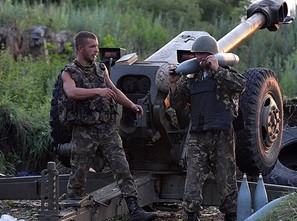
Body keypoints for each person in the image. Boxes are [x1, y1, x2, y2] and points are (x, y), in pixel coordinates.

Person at [60, 31, 156, 221]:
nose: (96, 50)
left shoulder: (100, 68)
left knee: (122, 167)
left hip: (107, 130)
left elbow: (113, 90)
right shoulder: (69, 72)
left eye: (96, 46)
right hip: (85, 131)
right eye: (92, 47)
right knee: (78, 173)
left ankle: (134, 208)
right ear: (80, 48)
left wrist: (130, 105)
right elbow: (71, 92)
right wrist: (97, 91)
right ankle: (71, 210)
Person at [168, 35, 246, 221]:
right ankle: (192, 214)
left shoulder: (226, 73)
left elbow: (241, 86)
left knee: (226, 178)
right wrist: (173, 83)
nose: (200, 59)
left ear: (212, 55)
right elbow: (177, 103)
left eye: (203, 55)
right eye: (197, 55)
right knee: (193, 180)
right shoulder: (192, 79)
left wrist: (217, 70)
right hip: (198, 135)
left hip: (222, 134)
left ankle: (230, 214)